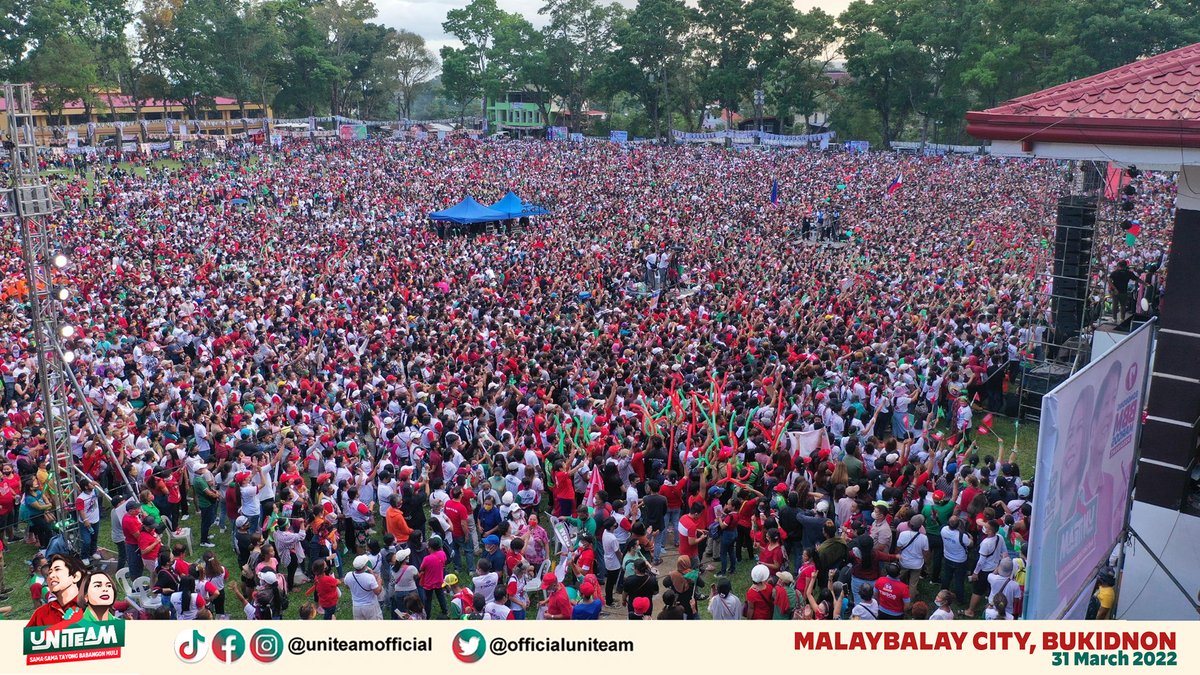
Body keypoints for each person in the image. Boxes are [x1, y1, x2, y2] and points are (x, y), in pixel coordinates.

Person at [26, 554, 85, 627]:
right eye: (46, 563)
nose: (49, 564)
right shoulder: (36, 584)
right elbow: (36, 601)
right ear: (39, 568)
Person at [344, 554, 383, 620]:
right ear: (365, 565)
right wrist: (379, 580)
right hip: (370, 605)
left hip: (356, 606)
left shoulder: (348, 575)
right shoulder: (369, 577)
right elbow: (377, 592)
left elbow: (347, 586)